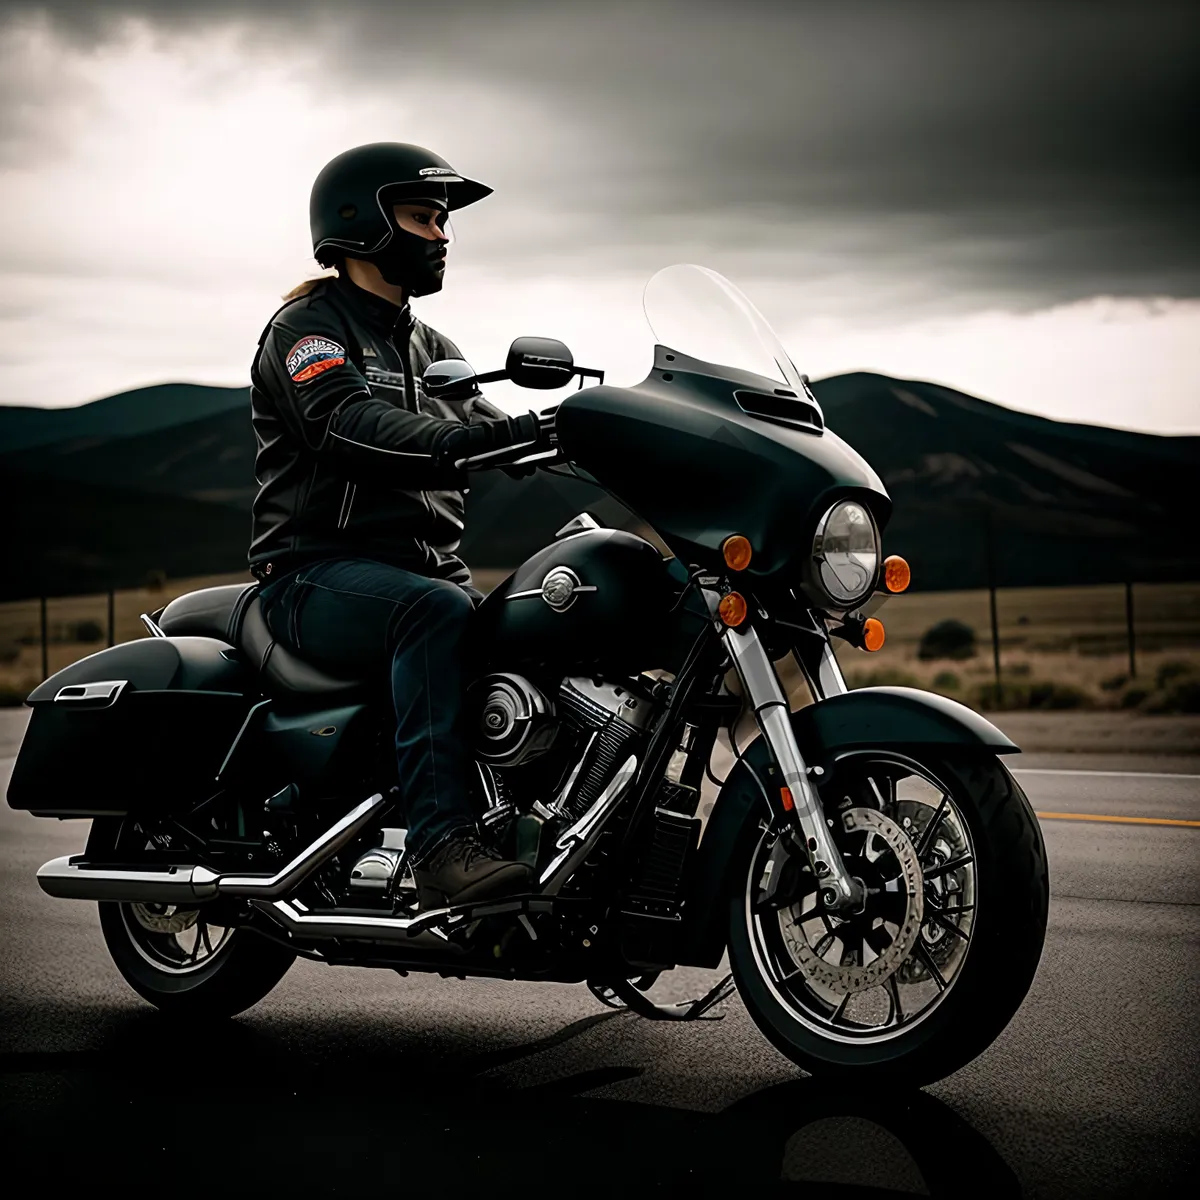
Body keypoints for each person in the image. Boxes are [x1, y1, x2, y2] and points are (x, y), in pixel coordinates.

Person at [248, 142, 547, 910]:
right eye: (424, 216)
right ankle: (441, 843)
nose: (443, 235)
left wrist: (577, 433)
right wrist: (459, 443)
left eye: (444, 220)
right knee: (435, 610)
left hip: (420, 575)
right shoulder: (307, 329)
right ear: (361, 221)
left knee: (546, 615)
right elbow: (345, 422)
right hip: (313, 575)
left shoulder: (435, 350)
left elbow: (489, 425)